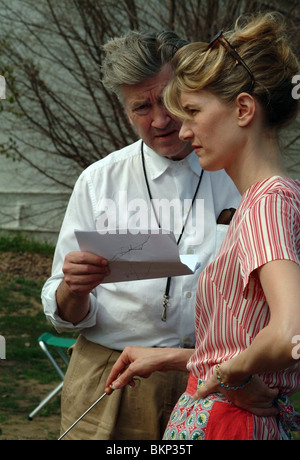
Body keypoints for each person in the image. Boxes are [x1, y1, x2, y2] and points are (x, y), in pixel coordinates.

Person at [105, 13, 300, 440]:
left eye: (192, 111)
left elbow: (290, 331)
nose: (184, 130)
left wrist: (230, 377)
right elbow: (245, 333)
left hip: (229, 424)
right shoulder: (265, 200)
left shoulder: (270, 202)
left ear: (244, 109)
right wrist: (175, 359)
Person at [41, 30, 241, 440]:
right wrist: (74, 290)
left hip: (213, 382)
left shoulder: (239, 176)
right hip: (114, 380)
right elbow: (64, 312)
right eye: (141, 107)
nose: (161, 120)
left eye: (167, 99)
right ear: (125, 112)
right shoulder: (99, 182)